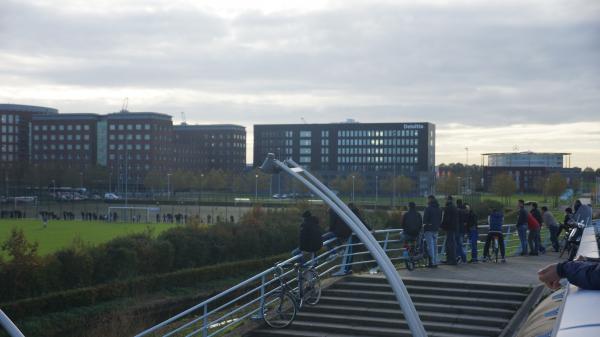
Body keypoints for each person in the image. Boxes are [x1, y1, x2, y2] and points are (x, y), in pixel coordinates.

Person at [423, 195, 442, 268]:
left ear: (430, 199)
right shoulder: (439, 209)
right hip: (436, 229)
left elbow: (425, 220)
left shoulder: (428, 209)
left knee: (430, 246)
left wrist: (426, 225)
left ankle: (431, 262)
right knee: (435, 246)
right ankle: (435, 261)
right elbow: (440, 219)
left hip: (428, 229)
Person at [440, 196, 458, 265]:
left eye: (446, 200)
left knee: (449, 244)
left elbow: (446, 219)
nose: (445, 201)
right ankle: (451, 260)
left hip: (449, 228)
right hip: (454, 228)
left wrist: (442, 226)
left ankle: (451, 260)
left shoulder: (448, 208)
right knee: (452, 244)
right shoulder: (454, 207)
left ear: (448, 200)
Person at [455, 199, 468, 263]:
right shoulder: (465, 210)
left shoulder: (457, 210)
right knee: (460, 244)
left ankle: (462, 258)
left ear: (457, 203)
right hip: (463, 229)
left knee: (458, 244)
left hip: (458, 229)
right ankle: (460, 257)